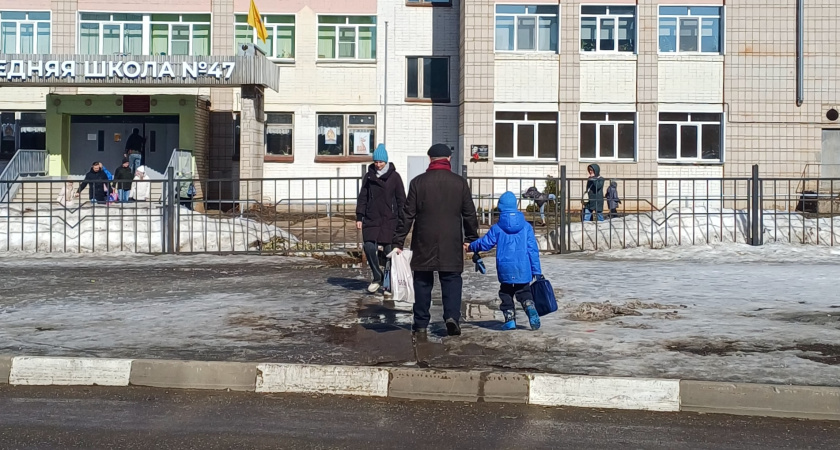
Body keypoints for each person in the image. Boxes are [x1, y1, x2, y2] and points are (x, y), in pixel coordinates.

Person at [393, 144, 479, 337]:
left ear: (430, 159)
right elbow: (469, 214)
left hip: (424, 239)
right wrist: (471, 239)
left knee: (422, 281)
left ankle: (421, 323)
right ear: (448, 159)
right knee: (451, 279)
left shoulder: (418, 182)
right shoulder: (460, 183)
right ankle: (451, 317)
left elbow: (407, 214)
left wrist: (398, 241)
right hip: (451, 241)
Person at [468, 191, 542, 331]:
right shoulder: (526, 227)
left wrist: (471, 246)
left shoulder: (497, 227)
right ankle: (530, 307)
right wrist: (537, 271)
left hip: (505, 267)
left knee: (506, 293)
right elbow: (533, 251)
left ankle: (510, 319)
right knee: (524, 291)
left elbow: (485, 243)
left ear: (501, 207)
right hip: (523, 268)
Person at [356, 144, 406, 295]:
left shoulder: (394, 177)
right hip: (371, 218)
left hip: (389, 218)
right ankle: (377, 276)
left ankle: (387, 283)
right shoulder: (369, 176)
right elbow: (362, 197)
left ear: (386, 161)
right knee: (369, 246)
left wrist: (402, 219)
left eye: (381, 162)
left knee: (389, 251)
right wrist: (359, 216)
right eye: (376, 162)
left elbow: (401, 199)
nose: (378, 165)